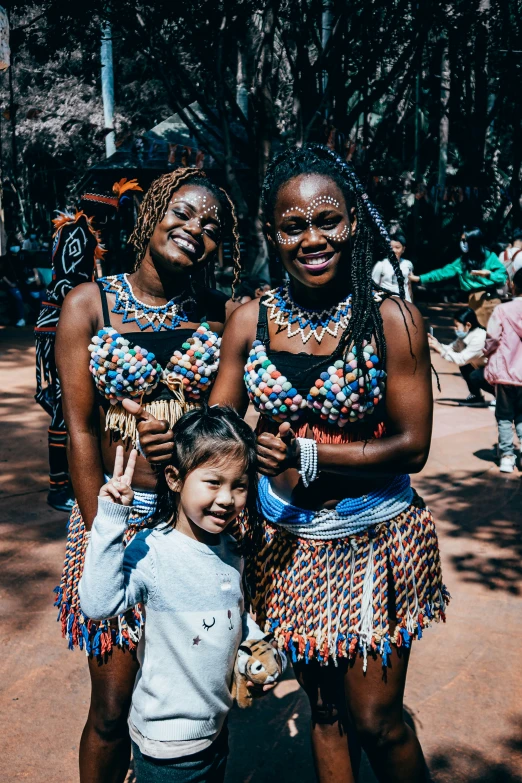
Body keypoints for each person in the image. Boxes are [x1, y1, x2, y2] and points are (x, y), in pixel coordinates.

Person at [130, 145, 449, 783]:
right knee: (325, 710)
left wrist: (308, 453)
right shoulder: (250, 318)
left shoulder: (391, 319)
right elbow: (218, 429)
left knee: (378, 721)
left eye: (327, 219)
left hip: (373, 538)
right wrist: (172, 440)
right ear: (273, 235)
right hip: (286, 544)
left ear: (353, 222)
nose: (313, 237)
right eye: (294, 225)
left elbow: (413, 445)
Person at [54, 168, 240, 783]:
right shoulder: (89, 304)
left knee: (186, 690)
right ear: (152, 212)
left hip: (187, 532)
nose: (195, 230)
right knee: (110, 708)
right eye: (184, 213)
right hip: (111, 518)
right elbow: (81, 429)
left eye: (211, 227)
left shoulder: (219, 316)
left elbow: (219, 437)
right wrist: (103, 531)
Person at [79, 407, 280, 782]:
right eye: (213, 482)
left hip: (214, 733)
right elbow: (98, 604)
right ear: (174, 478)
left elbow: (230, 614)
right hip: (165, 747)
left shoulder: (229, 548)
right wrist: (109, 520)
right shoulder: (153, 551)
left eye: (239, 485)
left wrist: (257, 647)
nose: (227, 498)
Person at [35, 180, 143, 513]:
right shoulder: (78, 234)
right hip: (60, 327)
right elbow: (69, 284)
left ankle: (61, 481)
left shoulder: (75, 232)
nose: (110, 223)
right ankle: (58, 487)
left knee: (68, 404)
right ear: (99, 212)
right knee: (64, 407)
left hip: (58, 325)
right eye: (108, 216)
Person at [410, 227, 507, 327]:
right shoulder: (462, 261)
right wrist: (420, 278)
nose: (462, 243)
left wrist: (488, 274)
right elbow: (442, 273)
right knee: (477, 333)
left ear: (474, 241)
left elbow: (503, 277)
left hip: (489, 299)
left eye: (465, 240)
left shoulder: (490, 257)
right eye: (461, 240)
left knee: (491, 333)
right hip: (473, 299)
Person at [484, 259, 522, 473]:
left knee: (505, 416)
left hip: (506, 372)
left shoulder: (502, 310)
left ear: (513, 286)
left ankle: (507, 455)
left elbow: (492, 337)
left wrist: (486, 351)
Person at [427, 307, 494, 405]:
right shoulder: (466, 336)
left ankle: (502, 398)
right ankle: (476, 396)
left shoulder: (480, 338)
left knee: (475, 376)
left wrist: (440, 349)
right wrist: (437, 345)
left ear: (468, 325)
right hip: (484, 368)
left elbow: (461, 359)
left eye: (456, 326)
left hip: (496, 372)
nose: (455, 329)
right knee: (466, 367)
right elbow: (452, 348)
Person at [372, 230, 414, 301]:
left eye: (397, 247)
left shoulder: (408, 264)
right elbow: (373, 287)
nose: (394, 250)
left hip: (406, 301)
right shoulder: (381, 264)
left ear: (403, 249)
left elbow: (409, 286)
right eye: (391, 247)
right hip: (387, 303)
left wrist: (411, 303)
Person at [1, 241, 26, 326]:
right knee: (19, 298)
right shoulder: (5, 259)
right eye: (13, 245)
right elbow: (2, 274)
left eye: (16, 245)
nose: (15, 247)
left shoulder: (21, 257)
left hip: (20, 284)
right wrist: (10, 284)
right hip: (10, 285)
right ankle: (21, 318)